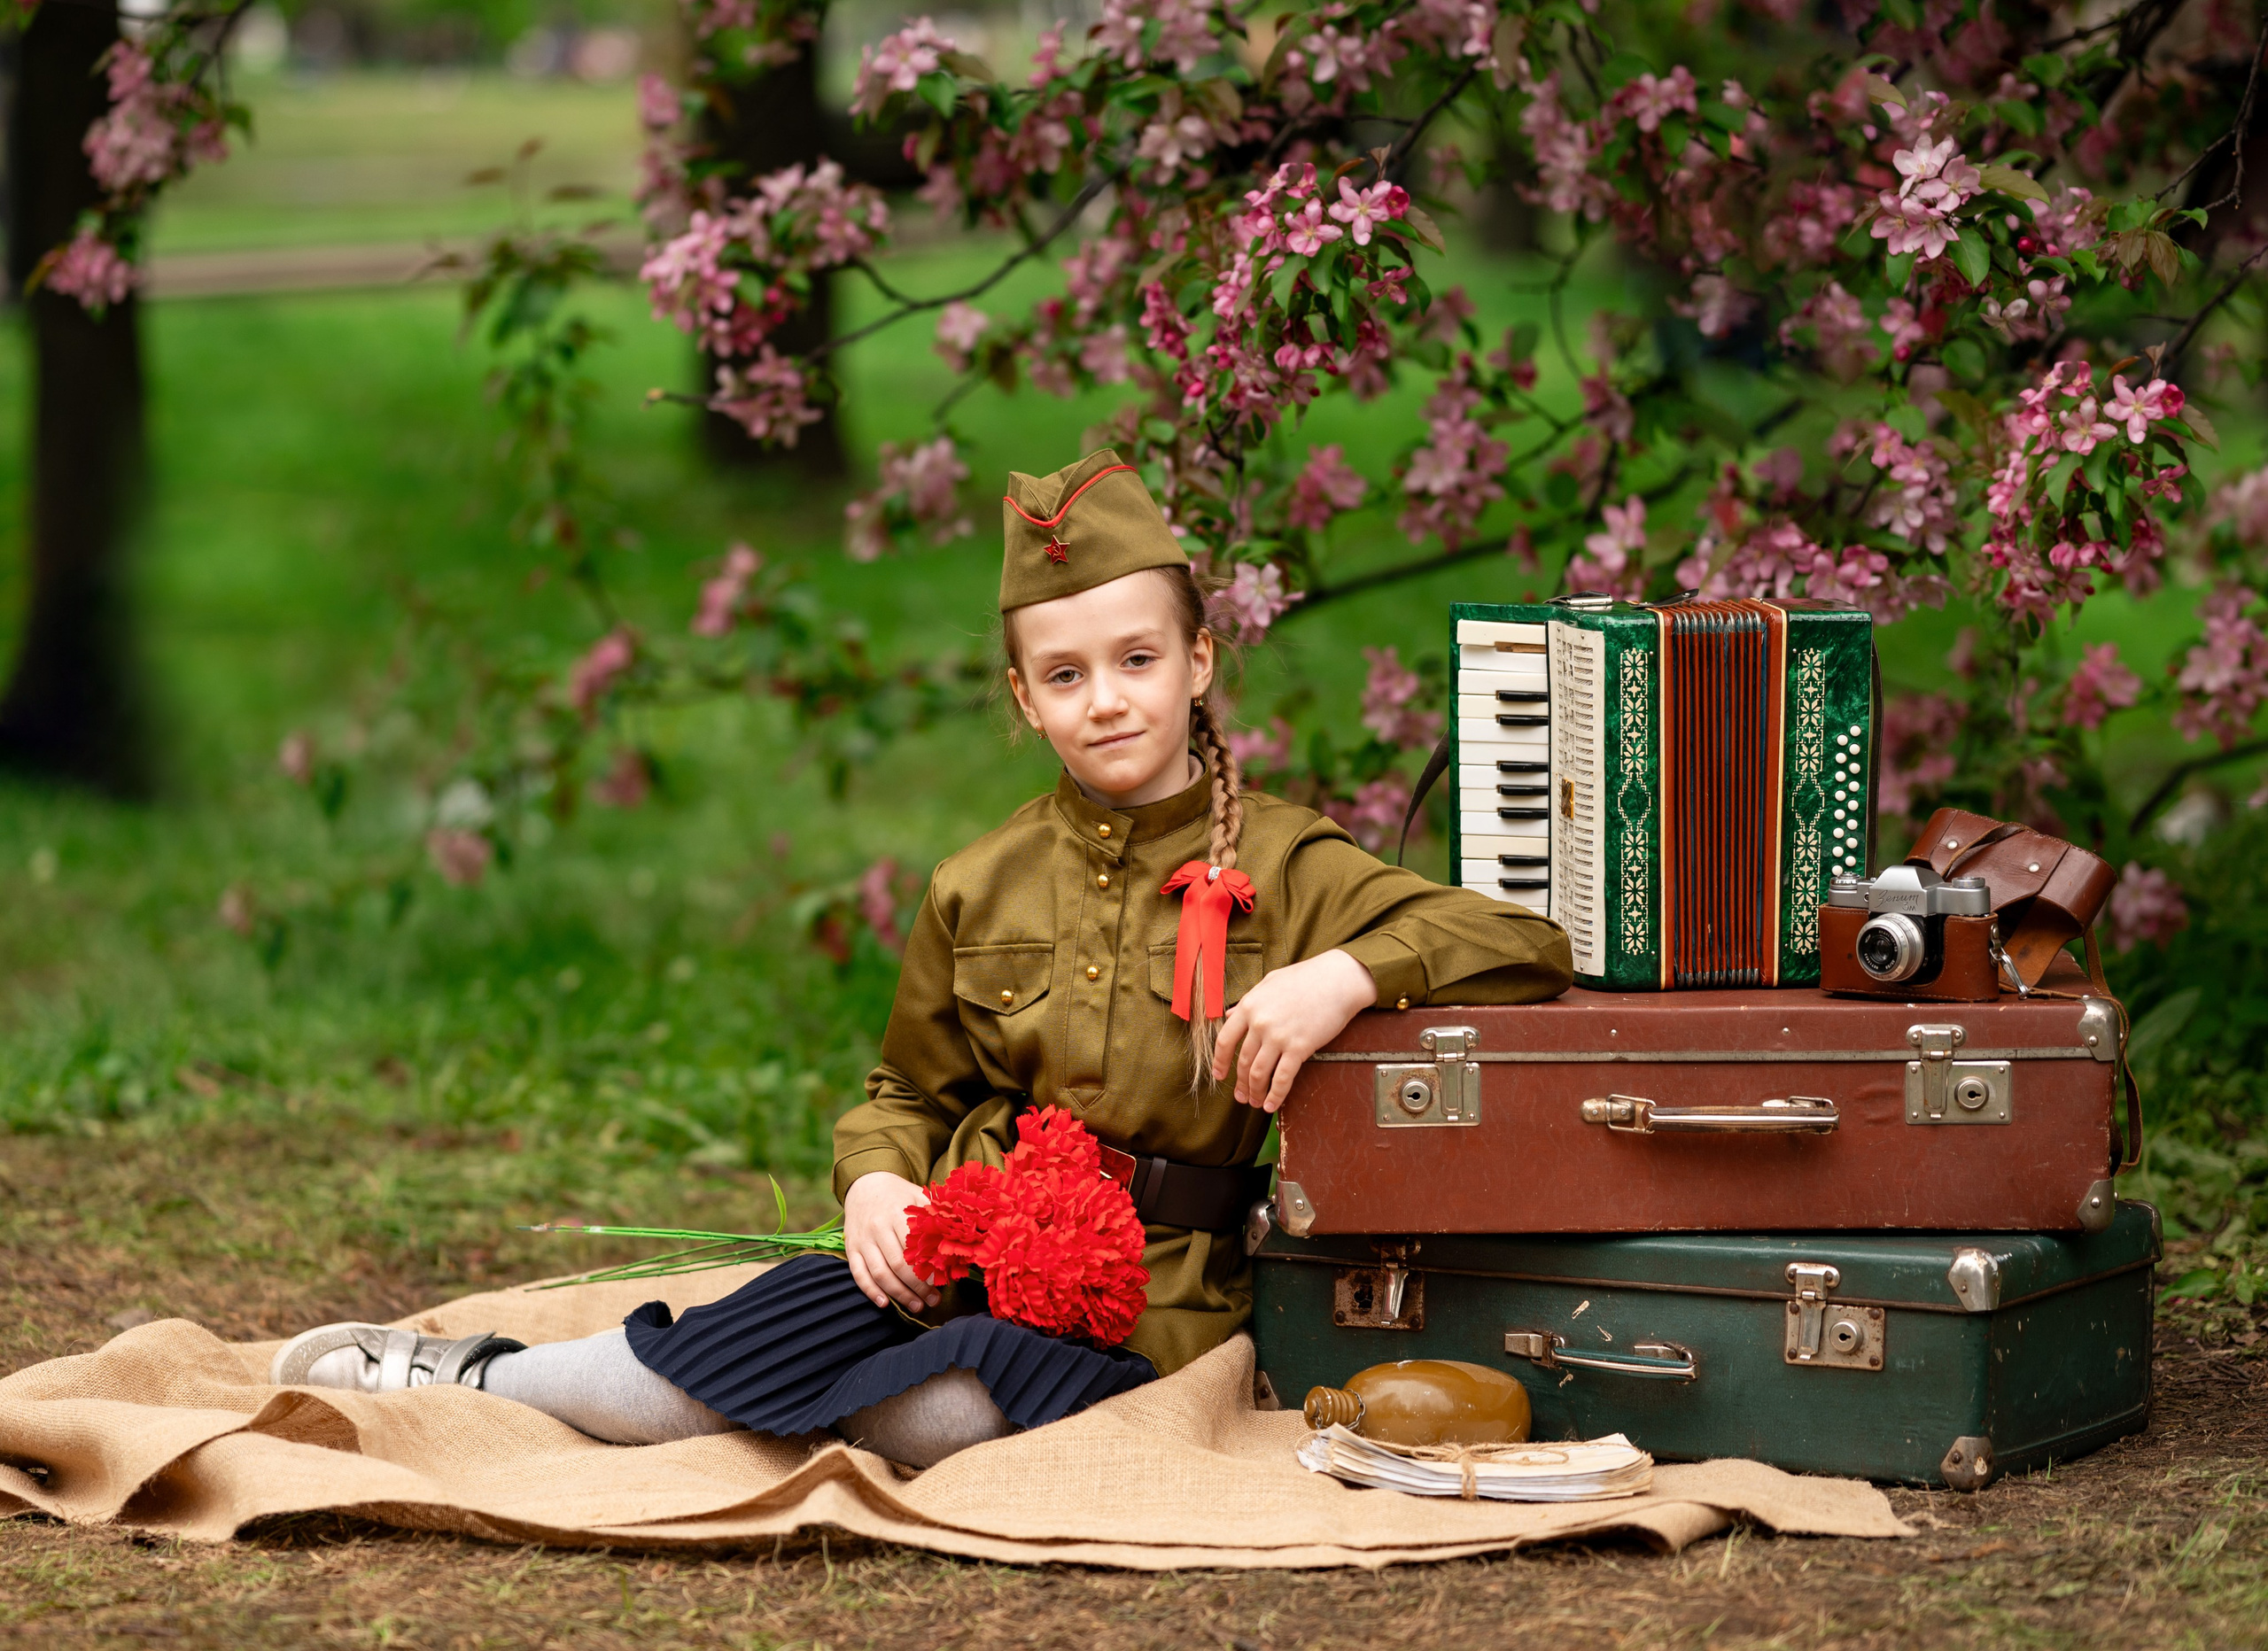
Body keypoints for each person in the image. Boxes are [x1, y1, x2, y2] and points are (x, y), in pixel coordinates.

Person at [270, 449, 1573, 1464]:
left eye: (1135, 659)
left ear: (1199, 661)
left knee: (946, 1418)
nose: (1105, 699)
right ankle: (476, 1375)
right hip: (954, 1246)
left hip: (1156, 1297)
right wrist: (877, 1190)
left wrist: (1340, 975)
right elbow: (905, 1096)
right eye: (1064, 676)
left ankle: (697, 1396)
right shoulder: (979, 881)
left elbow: (1525, 941)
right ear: (1023, 696)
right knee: (735, 1345)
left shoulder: (1288, 867)